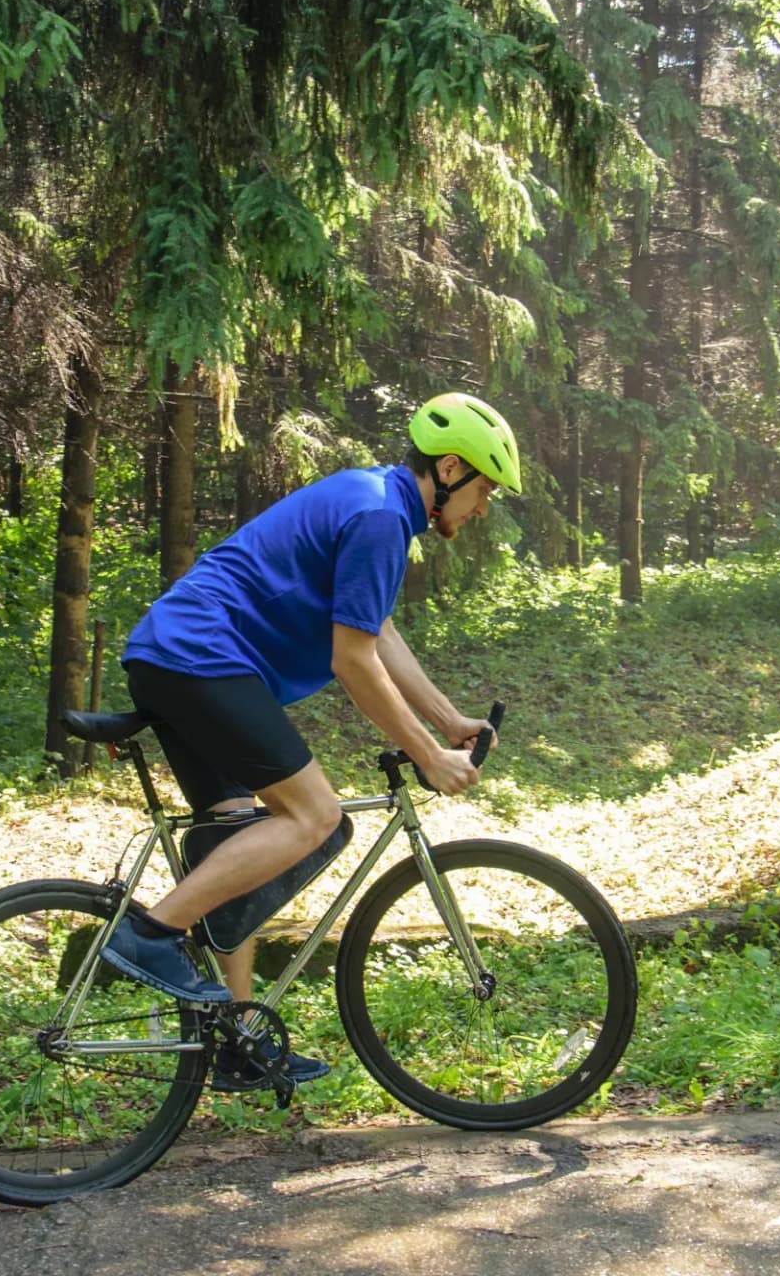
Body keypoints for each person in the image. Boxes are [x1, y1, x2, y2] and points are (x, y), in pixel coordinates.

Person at [102, 390, 522, 1091]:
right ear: (450, 469)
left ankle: (236, 1041)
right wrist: (427, 755)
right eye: (484, 490)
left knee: (238, 844)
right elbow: (352, 661)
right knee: (315, 815)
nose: (483, 509)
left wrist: (448, 722)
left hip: (175, 655)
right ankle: (149, 933)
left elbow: (380, 633)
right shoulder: (383, 517)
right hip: (203, 658)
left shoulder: (378, 501)